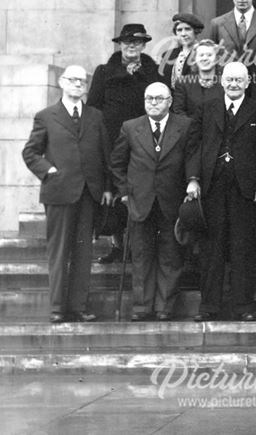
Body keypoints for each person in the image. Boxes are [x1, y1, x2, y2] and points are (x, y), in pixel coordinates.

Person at [22, 65, 113, 323]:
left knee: (83, 253)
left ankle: (78, 307)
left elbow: (104, 154)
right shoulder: (46, 116)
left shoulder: (95, 116)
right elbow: (30, 153)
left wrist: (106, 187)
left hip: (89, 193)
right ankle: (58, 308)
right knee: (60, 252)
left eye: (82, 82)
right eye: (72, 80)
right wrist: (49, 171)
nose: (77, 85)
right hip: (59, 192)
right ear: (62, 82)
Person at [187, 62, 256, 322]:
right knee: (211, 250)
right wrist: (193, 179)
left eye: (239, 80)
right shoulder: (206, 109)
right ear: (221, 82)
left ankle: (244, 306)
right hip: (212, 187)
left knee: (243, 249)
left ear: (248, 83)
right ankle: (209, 306)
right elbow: (193, 146)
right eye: (230, 80)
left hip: (245, 190)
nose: (234, 84)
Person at [110, 82, 198, 321]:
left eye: (159, 98)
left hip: (172, 198)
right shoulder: (131, 127)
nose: (153, 103)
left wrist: (192, 180)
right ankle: (142, 307)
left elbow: (192, 157)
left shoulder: (185, 126)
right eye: (149, 98)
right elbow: (117, 163)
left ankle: (164, 308)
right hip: (140, 201)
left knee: (171, 255)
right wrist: (125, 193)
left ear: (170, 101)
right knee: (141, 256)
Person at [89, 23, 166, 263]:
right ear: (120, 44)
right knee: (114, 193)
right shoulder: (104, 72)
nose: (131, 45)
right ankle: (117, 245)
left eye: (137, 42)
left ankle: (139, 245)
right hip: (113, 143)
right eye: (126, 42)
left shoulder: (154, 73)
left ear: (144, 45)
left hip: (144, 142)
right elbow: (93, 107)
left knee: (141, 192)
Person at [171, 39, 225, 118]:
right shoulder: (183, 83)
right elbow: (179, 112)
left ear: (216, 59)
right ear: (195, 59)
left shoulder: (225, 82)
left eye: (209, 55)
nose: (205, 58)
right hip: (191, 129)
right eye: (201, 55)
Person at [162, 12, 204, 87]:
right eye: (179, 30)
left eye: (187, 29)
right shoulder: (168, 55)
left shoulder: (204, 53)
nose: (183, 34)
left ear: (195, 31)